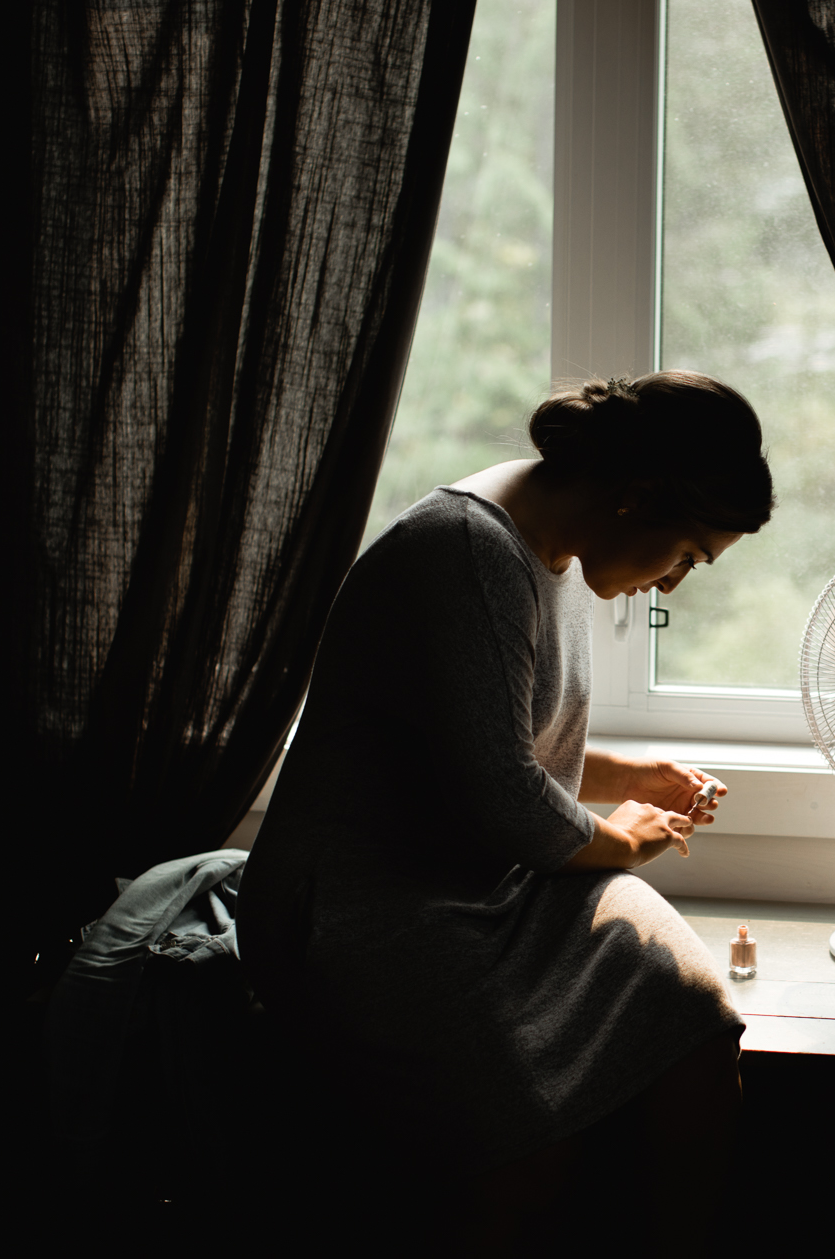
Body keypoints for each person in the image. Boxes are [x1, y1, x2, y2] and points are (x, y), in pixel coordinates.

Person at [238, 371, 775, 1254]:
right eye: (687, 555)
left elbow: (485, 734)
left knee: (694, 1021)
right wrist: (623, 837)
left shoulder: (555, 540)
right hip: (361, 907)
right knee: (526, 1150)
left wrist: (624, 772)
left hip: (485, 878)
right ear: (636, 500)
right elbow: (505, 806)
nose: (674, 583)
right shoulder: (469, 552)